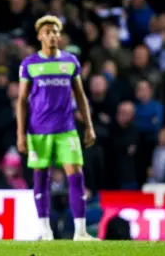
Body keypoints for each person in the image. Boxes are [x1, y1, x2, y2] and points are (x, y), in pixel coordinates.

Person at [16, 15, 99, 241]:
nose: (53, 35)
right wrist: (20, 133)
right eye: (49, 32)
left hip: (66, 129)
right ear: (40, 36)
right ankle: (45, 231)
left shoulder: (70, 62)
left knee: (76, 176)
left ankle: (80, 232)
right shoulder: (29, 64)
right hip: (39, 130)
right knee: (41, 178)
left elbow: (80, 95)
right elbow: (22, 101)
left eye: (56, 32)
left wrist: (88, 126)